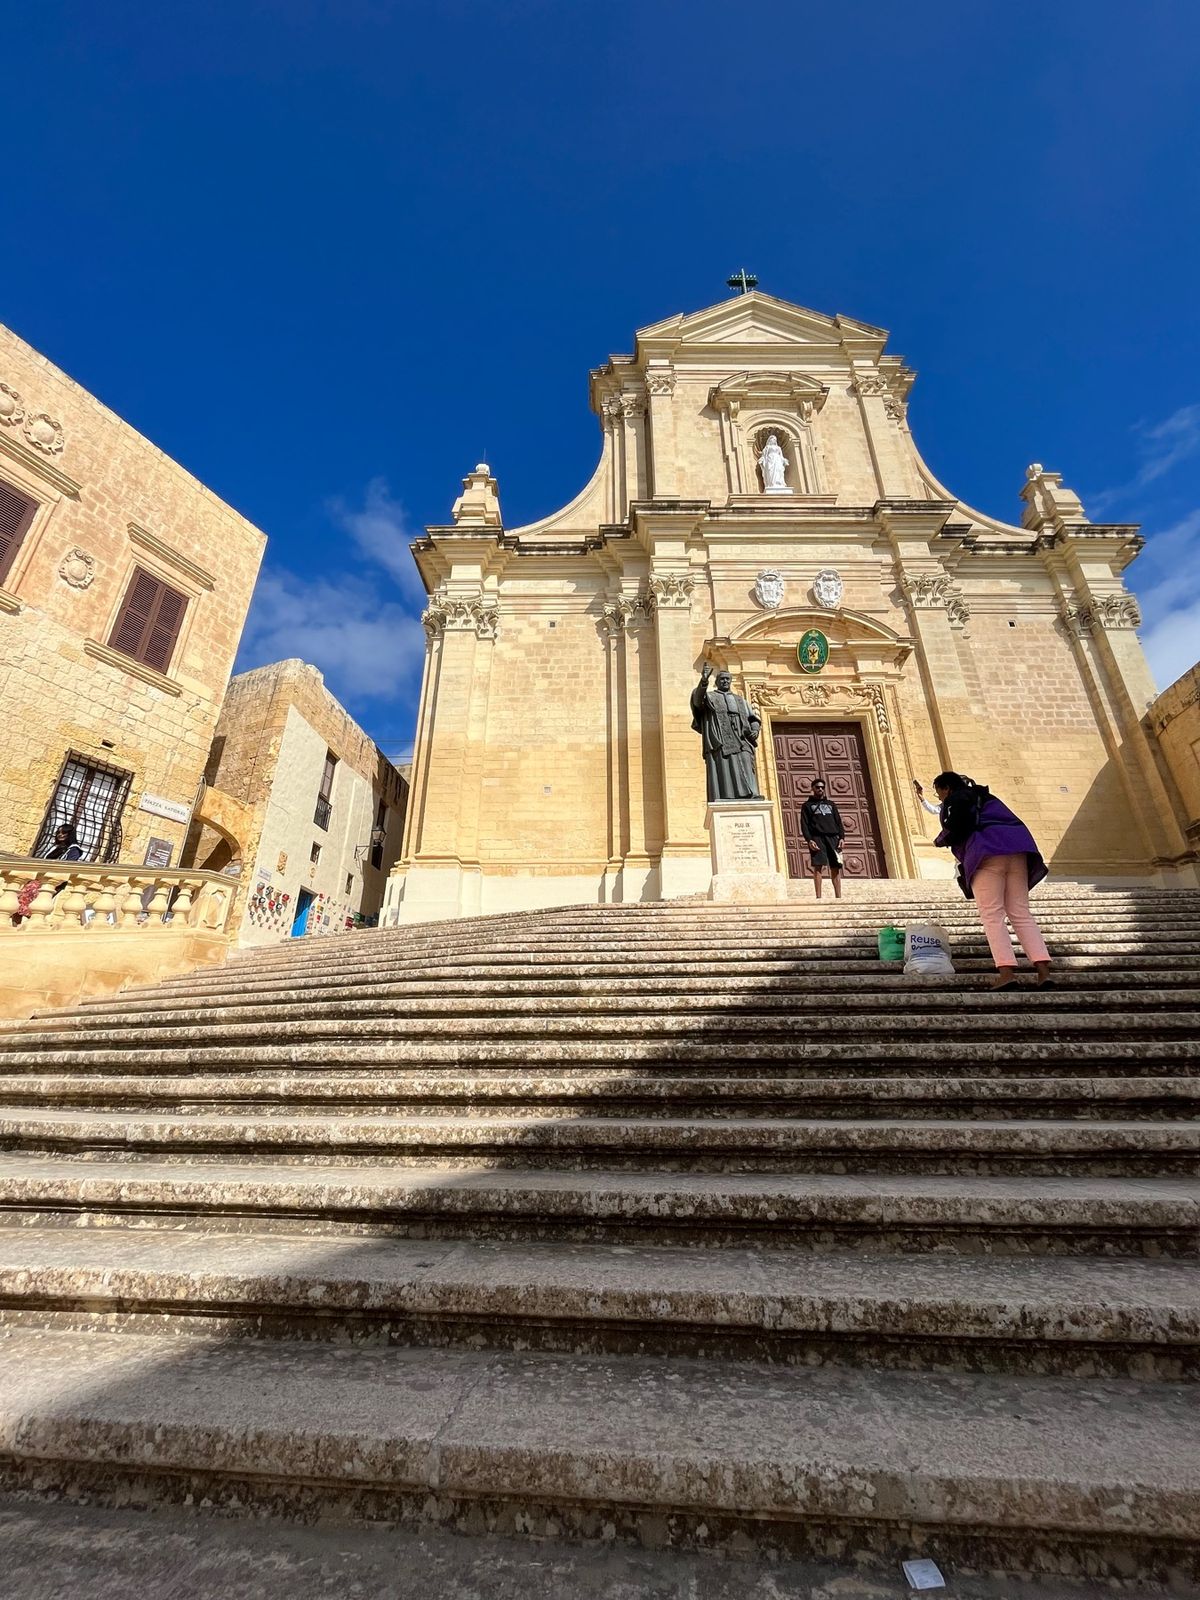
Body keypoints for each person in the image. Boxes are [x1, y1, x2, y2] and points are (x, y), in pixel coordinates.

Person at [932, 771, 1052, 989]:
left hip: (987, 854)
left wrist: (940, 840)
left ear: (946, 788)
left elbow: (958, 826)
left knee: (992, 915)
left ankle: (1006, 972)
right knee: (1021, 913)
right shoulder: (986, 796)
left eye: (939, 793)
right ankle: (1044, 972)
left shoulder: (957, 798)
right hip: (1018, 852)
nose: (939, 798)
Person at [690, 664, 764, 802]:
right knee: (725, 767)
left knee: (747, 761)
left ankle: (752, 793)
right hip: (721, 737)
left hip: (742, 737)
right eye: (722, 679)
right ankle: (727, 796)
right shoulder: (710, 697)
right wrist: (704, 681)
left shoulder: (740, 700)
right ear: (717, 682)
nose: (725, 681)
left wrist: (755, 729)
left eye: (727, 679)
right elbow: (697, 701)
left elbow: (753, 718)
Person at [13, 824, 85, 922]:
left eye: (64, 832)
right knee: (21, 900)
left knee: (36, 904)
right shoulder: (57, 847)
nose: (60, 835)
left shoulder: (74, 850)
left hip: (54, 881)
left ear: (70, 834)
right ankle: (16, 923)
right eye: (58, 832)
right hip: (39, 879)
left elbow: (68, 867)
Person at [800, 778, 845, 899]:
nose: (820, 789)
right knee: (818, 866)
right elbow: (804, 825)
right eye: (817, 787)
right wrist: (809, 840)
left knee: (835, 866)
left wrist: (842, 837)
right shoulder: (807, 806)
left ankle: (838, 896)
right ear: (812, 789)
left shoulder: (831, 804)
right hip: (817, 838)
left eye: (822, 787)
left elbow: (838, 821)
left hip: (833, 838)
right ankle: (818, 897)